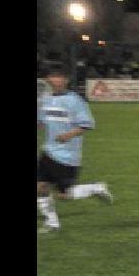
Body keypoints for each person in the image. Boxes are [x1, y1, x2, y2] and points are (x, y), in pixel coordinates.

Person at [36, 68, 113, 234]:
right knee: (40, 187)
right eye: (51, 76)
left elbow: (87, 124)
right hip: (48, 151)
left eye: (58, 77)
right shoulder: (45, 100)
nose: (54, 80)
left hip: (67, 156)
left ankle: (96, 188)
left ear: (66, 80)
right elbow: (41, 123)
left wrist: (67, 135)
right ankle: (52, 223)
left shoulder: (74, 100)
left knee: (64, 196)